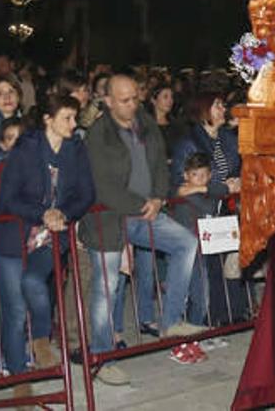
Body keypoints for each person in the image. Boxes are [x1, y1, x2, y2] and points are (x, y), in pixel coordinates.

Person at [80, 73, 201, 386]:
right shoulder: (98, 134)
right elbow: (104, 187)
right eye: (124, 99)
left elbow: (161, 164)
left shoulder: (145, 122)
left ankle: (171, 321)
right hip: (108, 219)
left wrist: (159, 197)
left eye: (135, 97)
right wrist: (142, 204)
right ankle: (101, 358)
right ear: (107, 101)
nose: (132, 104)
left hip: (146, 211)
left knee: (186, 244)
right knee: (107, 290)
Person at [0, 96, 94, 398]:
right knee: (13, 310)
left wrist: (63, 213)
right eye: (67, 118)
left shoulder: (75, 149)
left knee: (34, 279)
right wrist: (42, 214)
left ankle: (40, 338)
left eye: (75, 118)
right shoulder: (25, 150)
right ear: (48, 119)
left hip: (54, 233)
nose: (74, 124)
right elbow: (7, 198)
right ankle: (19, 381)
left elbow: (87, 194)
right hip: (15, 233)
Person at [171, 92, 249, 325]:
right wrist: (222, 187)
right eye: (217, 105)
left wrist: (236, 181)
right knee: (208, 267)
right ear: (203, 110)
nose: (222, 109)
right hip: (200, 210)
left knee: (230, 261)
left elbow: (235, 166)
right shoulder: (190, 143)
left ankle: (232, 312)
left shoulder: (226, 138)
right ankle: (209, 316)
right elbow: (186, 182)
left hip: (225, 207)